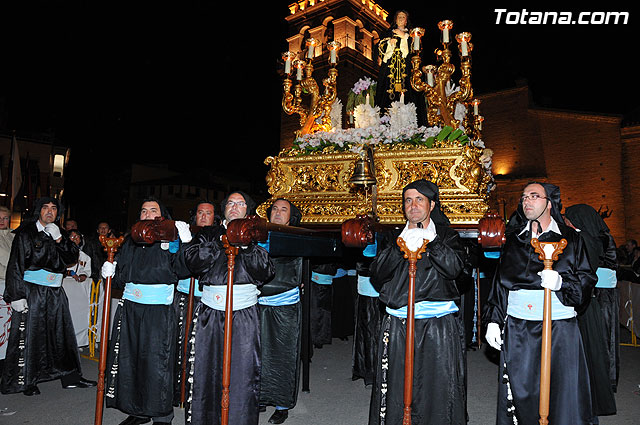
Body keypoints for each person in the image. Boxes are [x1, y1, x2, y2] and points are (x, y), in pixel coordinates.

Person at [484, 182, 597, 425]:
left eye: (534, 196)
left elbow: (586, 281)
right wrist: (493, 319)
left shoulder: (571, 240)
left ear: (549, 202)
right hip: (519, 326)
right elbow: (500, 283)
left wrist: (560, 283)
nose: (527, 201)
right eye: (524, 197)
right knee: (521, 388)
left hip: (559, 327)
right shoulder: (514, 240)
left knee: (562, 390)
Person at [368, 179, 467, 425]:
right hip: (399, 322)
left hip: (437, 324)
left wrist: (431, 242)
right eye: (408, 200)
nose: (413, 206)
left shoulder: (446, 235)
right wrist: (403, 242)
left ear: (432, 204)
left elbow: (455, 270)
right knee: (397, 383)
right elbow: (377, 274)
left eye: (420, 199)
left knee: (438, 383)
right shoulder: (393, 236)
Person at [183, 191, 274, 425]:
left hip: (243, 313)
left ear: (248, 210)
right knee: (206, 371)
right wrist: (222, 241)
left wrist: (245, 246)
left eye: (240, 203)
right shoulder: (208, 233)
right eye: (230, 203)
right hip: (210, 313)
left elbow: (266, 272)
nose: (234, 207)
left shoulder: (256, 236)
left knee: (243, 372)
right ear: (224, 209)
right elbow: (192, 261)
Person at [101, 197, 193, 425]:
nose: (147, 214)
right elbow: (121, 277)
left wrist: (185, 243)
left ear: (162, 215)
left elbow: (183, 268)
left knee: (157, 362)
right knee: (131, 360)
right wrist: (110, 271)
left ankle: (162, 415)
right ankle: (138, 410)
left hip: (158, 310)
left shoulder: (170, 238)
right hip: (131, 308)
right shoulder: (131, 241)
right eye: (143, 211)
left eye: (153, 210)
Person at [1, 197, 96, 396]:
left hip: (55, 290)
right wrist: (16, 295)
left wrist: (60, 240)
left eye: (54, 208)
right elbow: (15, 264)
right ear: (39, 211)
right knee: (30, 335)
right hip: (32, 290)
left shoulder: (59, 233)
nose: (50, 211)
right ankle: (28, 380)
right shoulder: (25, 233)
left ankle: (70, 377)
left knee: (62, 333)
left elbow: (71, 259)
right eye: (45, 208)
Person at [564, 204, 618, 418]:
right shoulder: (598, 235)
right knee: (598, 346)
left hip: (597, 297)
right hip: (597, 295)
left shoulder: (587, 239)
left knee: (598, 345)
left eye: (568, 218)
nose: (566, 221)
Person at [258, 198, 304, 424]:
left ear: (291, 216)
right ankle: (259, 397)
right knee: (257, 354)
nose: (277, 212)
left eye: (283, 209)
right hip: (256, 304)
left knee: (282, 356)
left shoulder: (295, 236)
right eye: (274, 209)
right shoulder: (258, 234)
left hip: (284, 306)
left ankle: (282, 404)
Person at [172, 200, 216, 407]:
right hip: (183, 296)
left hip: (206, 298)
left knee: (200, 348)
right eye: (200, 213)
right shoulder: (183, 234)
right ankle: (177, 390)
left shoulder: (217, 237)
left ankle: (197, 392)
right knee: (179, 344)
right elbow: (177, 267)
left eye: (208, 213)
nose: (204, 216)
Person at [375, 9, 426, 125]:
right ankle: (385, 121)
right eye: (399, 17)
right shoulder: (388, 34)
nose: (401, 19)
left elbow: (417, 52)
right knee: (386, 94)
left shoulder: (413, 35)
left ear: (406, 21)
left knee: (409, 92)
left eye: (403, 17)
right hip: (390, 70)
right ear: (395, 20)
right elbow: (379, 49)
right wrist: (389, 43)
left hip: (406, 70)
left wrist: (405, 37)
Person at [61, 229, 93, 347]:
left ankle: (77, 342)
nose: (75, 239)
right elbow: (57, 268)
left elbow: (87, 271)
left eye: (77, 237)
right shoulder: (62, 253)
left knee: (77, 316)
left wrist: (83, 275)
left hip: (78, 291)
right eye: (72, 237)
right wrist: (69, 273)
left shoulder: (85, 257)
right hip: (65, 287)